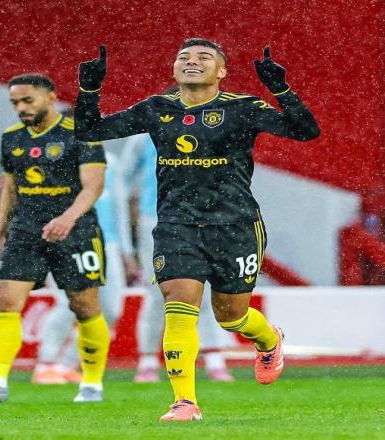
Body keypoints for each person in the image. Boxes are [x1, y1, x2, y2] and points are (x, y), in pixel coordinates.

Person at [75, 39, 320, 421]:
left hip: (236, 225)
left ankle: (269, 339)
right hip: (177, 224)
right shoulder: (157, 108)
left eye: (204, 57)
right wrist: (89, 90)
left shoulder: (243, 108)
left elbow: (306, 131)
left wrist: (280, 89)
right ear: (174, 70)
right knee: (179, 301)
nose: (192, 61)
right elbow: (89, 130)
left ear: (221, 71)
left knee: (231, 316)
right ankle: (184, 401)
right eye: (184, 57)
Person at [0, 73, 109, 403]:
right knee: (4, 297)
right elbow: (10, 188)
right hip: (26, 229)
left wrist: (67, 218)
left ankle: (92, 383)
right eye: (15, 103)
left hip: (76, 230)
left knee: (84, 306)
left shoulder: (81, 134)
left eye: (27, 100)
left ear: (50, 97)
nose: (21, 108)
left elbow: (93, 186)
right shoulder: (12, 138)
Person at [120, 134, 233, 383]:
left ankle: (214, 359)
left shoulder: (206, 131)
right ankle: (148, 360)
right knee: (157, 292)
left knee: (202, 289)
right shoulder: (144, 138)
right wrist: (126, 221)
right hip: (154, 220)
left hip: (198, 220)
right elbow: (122, 181)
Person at [32, 151, 130, 384]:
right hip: (66, 240)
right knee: (67, 304)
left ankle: (67, 365)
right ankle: (45, 364)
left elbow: (119, 207)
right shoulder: (53, 156)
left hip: (108, 243)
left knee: (111, 310)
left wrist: (126, 250)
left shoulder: (110, 161)